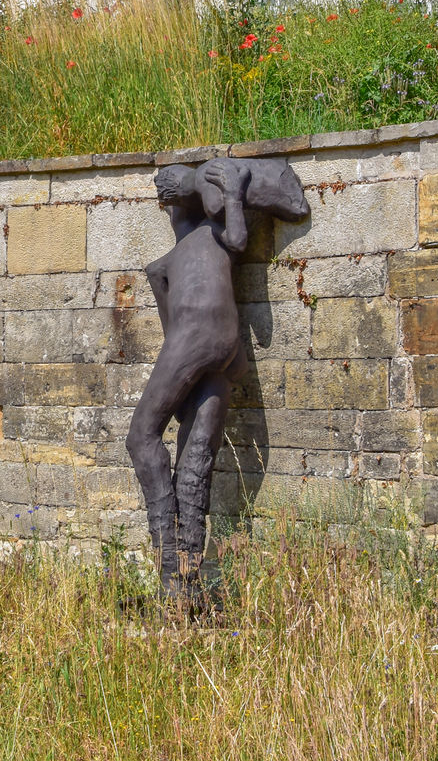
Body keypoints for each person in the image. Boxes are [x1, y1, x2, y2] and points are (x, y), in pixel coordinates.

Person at [126, 156, 308, 594]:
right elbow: (241, 236)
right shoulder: (186, 252)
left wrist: (227, 193)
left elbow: (240, 238)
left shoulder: (195, 243)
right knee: (195, 456)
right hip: (225, 347)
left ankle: (171, 566)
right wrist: (229, 195)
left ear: (177, 208)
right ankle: (188, 578)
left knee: (141, 437)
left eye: (168, 205)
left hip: (193, 338)